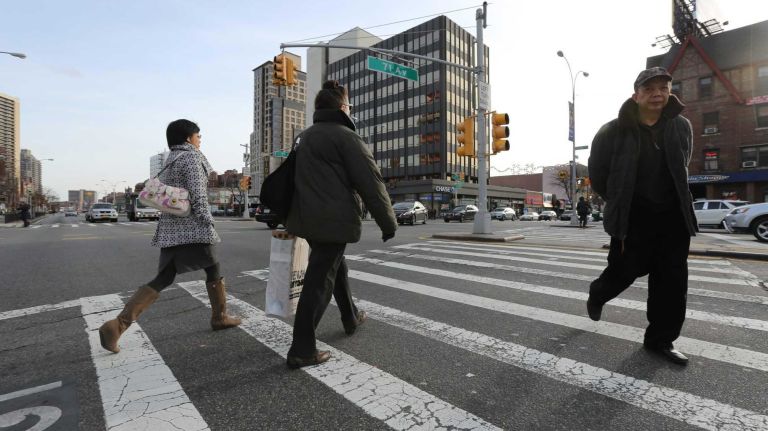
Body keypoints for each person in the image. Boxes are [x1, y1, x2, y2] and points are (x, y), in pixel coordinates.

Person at [99, 119, 241, 353]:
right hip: (193, 228)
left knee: (168, 276)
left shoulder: (171, 159)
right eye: (198, 135)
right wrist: (208, 220)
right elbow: (197, 195)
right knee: (211, 267)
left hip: (171, 228)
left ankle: (117, 326)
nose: (200, 139)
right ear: (188, 138)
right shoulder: (192, 158)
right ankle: (219, 317)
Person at [587, 67, 697, 365]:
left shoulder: (681, 126)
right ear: (636, 95)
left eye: (663, 87)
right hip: (633, 218)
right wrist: (621, 200)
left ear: (669, 92)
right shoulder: (612, 130)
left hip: (674, 218)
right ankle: (598, 293)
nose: (657, 94)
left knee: (672, 282)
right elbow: (597, 174)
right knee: (624, 270)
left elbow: (682, 164)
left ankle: (660, 340)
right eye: (649, 89)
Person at [284, 80, 397, 369]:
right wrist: (388, 222)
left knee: (335, 266)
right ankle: (302, 349)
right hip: (332, 219)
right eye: (349, 105)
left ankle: (350, 316)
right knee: (319, 280)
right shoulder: (346, 137)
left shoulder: (305, 137)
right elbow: (371, 182)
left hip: (309, 219)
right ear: (343, 108)